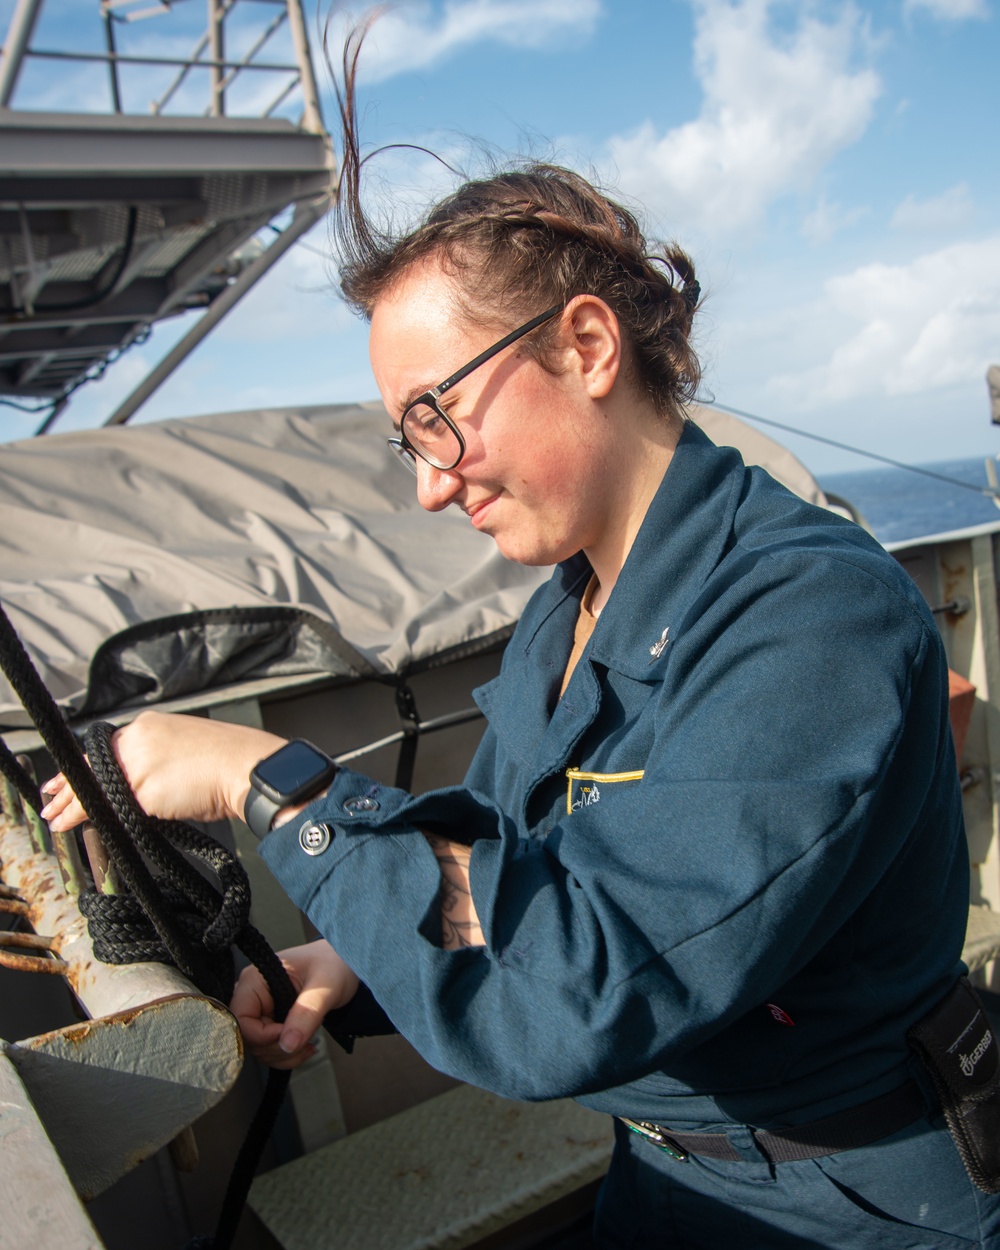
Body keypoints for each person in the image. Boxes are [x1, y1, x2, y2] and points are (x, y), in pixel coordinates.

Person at [41, 49, 999, 1248]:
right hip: (663, 1174)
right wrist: (349, 951)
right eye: (407, 439)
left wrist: (271, 783)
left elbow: (575, 981)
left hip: (841, 1198)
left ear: (587, 346)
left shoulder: (815, 616)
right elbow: (499, 868)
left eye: (437, 415)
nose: (433, 483)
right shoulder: (568, 604)